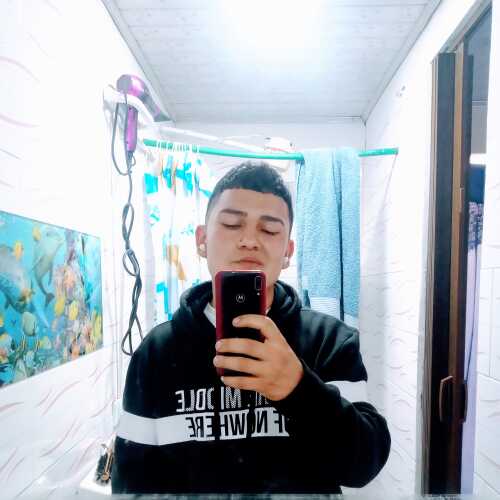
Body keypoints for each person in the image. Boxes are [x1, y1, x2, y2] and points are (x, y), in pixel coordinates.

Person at [112, 161, 391, 494]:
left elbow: (364, 464)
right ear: (201, 240)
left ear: (287, 252)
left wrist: (299, 389)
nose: (249, 241)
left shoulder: (330, 340)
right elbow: (131, 482)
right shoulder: (157, 351)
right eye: (232, 224)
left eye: (269, 230)